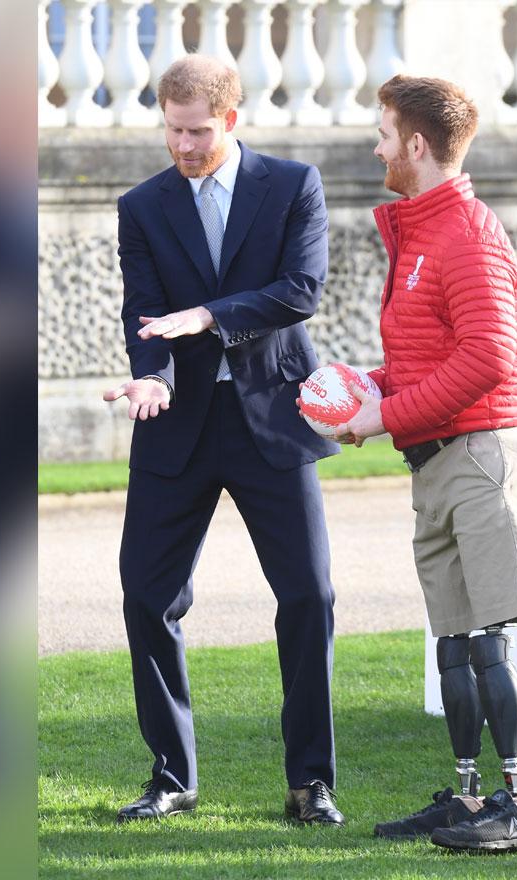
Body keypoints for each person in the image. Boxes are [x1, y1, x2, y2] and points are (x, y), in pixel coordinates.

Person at [102, 55, 344, 826]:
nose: (183, 145)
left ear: (231, 119)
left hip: (270, 417)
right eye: (172, 130)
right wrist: (155, 378)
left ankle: (311, 783)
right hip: (176, 426)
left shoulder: (293, 185)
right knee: (146, 594)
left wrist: (207, 316)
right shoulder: (141, 206)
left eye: (198, 131)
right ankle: (172, 775)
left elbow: (300, 291)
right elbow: (144, 315)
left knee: (308, 595)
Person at [330, 75, 517, 851]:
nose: (377, 146)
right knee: (454, 642)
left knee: (489, 640)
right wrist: (367, 391)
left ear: (416, 146)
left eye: (385, 134)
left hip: (483, 454)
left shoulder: (467, 232)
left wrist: (383, 414)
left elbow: (494, 357)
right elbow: (435, 354)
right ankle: (467, 800)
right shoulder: (421, 232)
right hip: (436, 461)